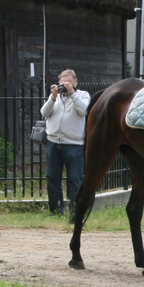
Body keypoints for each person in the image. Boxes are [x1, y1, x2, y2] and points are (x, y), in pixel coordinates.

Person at [40, 69, 89, 215]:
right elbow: (44, 113)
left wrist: (72, 93)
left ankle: (76, 211)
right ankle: (55, 210)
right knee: (52, 178)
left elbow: (84, 111)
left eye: (68, 82)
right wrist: (53, 97)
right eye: (62, 83)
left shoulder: (82, 95)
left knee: (75, 179)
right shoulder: (56, 97)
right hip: (53, 143)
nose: (65, 85)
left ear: (75, 82)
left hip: (74, 144)